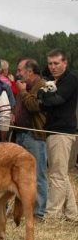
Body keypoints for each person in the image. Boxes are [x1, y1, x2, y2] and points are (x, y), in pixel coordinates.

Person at [38, 49, 78, 221]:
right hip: (54, 130)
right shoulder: (55, 81)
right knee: (59, 173)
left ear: (65, 63)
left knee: (57, 176)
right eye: (50, 63)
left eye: (56, 63)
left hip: (62, 131)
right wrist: (44, 99)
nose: (52, 67)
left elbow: (56, 101)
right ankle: (72, 214)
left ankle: (52, 215)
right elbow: (44, 105)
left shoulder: (71, 79)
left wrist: (43, 96)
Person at [13, 58, 48, 222]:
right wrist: (15, 114)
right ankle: (20, 210)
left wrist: (22, 91)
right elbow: (21, 106)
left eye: (20, 70)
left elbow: (34, 106)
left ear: (30, 71)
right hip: (20, 134)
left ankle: (38, 213)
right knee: (18, 175)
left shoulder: (42, 86)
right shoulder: (24, 86)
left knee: (37, 174)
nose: (17, 73)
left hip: (34, 135)